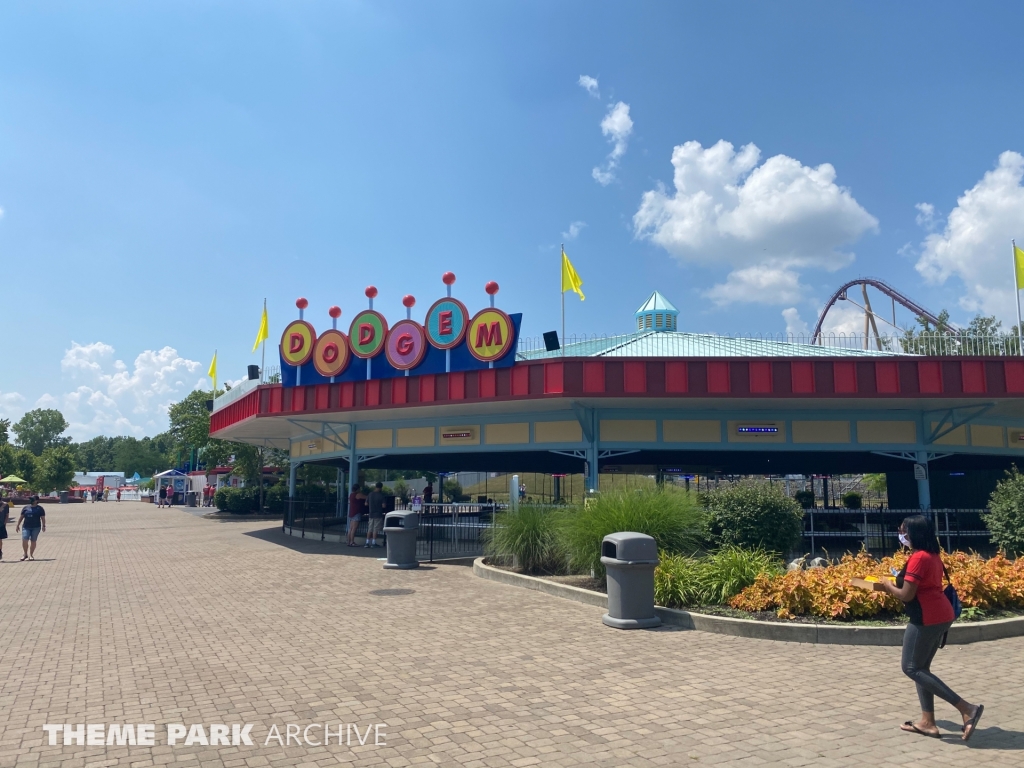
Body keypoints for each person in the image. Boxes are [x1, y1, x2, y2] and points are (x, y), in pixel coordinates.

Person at [876, 515, 984, 741]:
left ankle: (967, 709)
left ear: (913, 533)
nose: (901, 534)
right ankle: (927, 723)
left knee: (911, 668)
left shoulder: (918, 558)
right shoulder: (932, 555)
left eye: (903, 530)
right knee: (921, 668)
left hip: (927, 617)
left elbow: (907, 594)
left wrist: (886, 585)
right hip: (941, 614)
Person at [15, 494, 46, 561]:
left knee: (33, 541)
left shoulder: (40, 509)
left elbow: (43, 518)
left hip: (36, 527)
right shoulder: (25, 508)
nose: (31, 500)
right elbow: (21, 517)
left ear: (36, 501)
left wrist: (44, 526)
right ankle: (25, 554)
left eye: (32, 499)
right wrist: (18, 525)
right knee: (25, 539)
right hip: (26, 527)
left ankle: (31, 555)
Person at [365, 482, 385, 548]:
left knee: (370, 528)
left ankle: (367, 542)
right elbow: (383, 505)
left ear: (375, 486)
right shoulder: (381, 495)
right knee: (375, 529)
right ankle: (373, 543)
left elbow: (366, 504)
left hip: (371, 513)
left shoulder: (370, 494)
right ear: (381, 487)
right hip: (378, 514)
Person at [0, 496, 8, 560]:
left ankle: (0, 551)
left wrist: (5, 524)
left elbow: (7, 515)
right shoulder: (4, 505)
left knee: (0, 539)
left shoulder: (6, 505)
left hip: (1, 525)